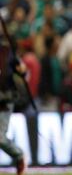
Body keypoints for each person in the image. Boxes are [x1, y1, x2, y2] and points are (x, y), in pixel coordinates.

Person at [0, 37, 26, 175]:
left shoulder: (7, 55)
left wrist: (22, 70)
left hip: (4, 100)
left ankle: (19, 156)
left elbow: (21, 71)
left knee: (0, 138)